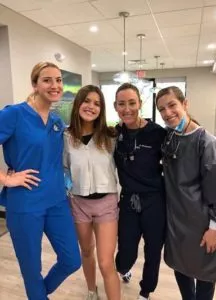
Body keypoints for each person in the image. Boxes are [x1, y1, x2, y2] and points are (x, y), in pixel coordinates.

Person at [0, 62, 81, 300]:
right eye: (47, 80)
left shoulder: (56, 120)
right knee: (31, 270)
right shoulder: (13, 114)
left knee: (71, 260)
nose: (55, 85)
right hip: (25, 203)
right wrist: (6, 178)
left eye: (58, 80)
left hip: (56, 200)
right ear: (35, 84)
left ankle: (39, 295)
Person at [155, 86, 216, 300]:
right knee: (181, 268)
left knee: (205, 273)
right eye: (162, 109)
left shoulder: (206, 142)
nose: (167, 113)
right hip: (176, 222)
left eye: (172, 105)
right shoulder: (169, 137)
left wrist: (215, 227)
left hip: (202, 224)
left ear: (185, 104)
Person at [63, 85, 121, 300]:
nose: (91, 106)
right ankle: (91, 291)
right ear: (78, 103)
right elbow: (63, 168)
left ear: (102, 109)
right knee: (86, 251)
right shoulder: (66, 137)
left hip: (106, 203)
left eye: (97, 103)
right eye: (87, 101)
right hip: (79, 203)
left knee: (106, 262)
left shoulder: (111, 136)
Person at [113, 83, 166, 300]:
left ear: (140, 104)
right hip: (128, 201)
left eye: (132, 103)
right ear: (115, 106)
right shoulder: (114, 135)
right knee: (125, 251)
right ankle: (124, 268)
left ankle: (146, 291)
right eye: (122, 104)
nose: (127, 109)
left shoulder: (158, 134)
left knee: (153, 251)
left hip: (154, 201)